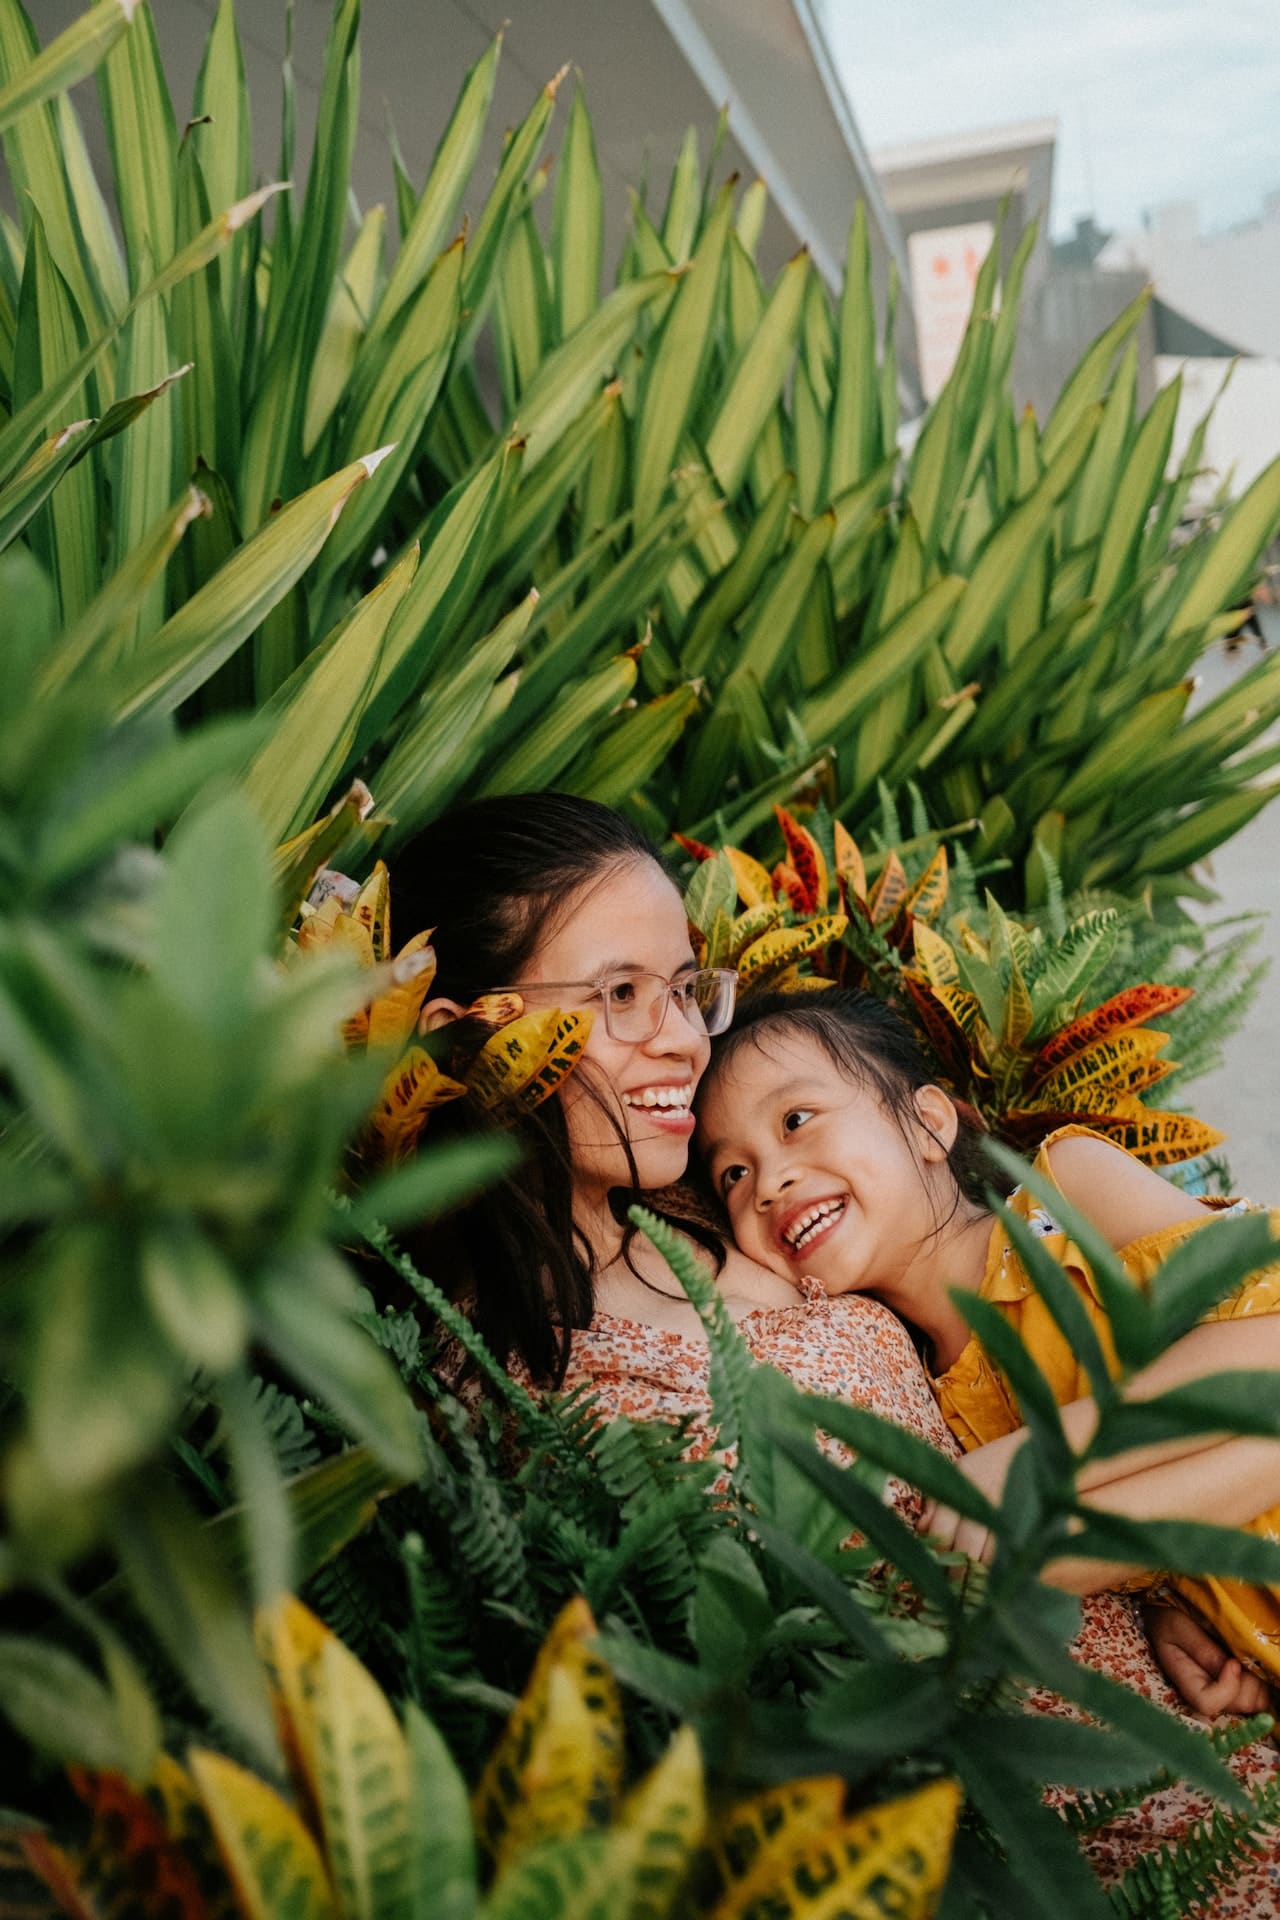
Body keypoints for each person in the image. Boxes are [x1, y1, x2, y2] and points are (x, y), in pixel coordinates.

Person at [401, 793, 1280, 1907]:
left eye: (681, 989)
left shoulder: (720, 1221)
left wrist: (1167, 1589)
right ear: (461, 1030)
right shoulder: (489, 1373)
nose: (679, 1034)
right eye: (620, 994)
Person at [694, 985, 1280, 1719]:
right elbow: (1047, 1566)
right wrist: (1168, 1590)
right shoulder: (933, 1410)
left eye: (796, 1119)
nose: (768, 1182)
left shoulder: (1065, 1196)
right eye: (732, 1175)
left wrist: (1045, 1457)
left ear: (929, 1124)